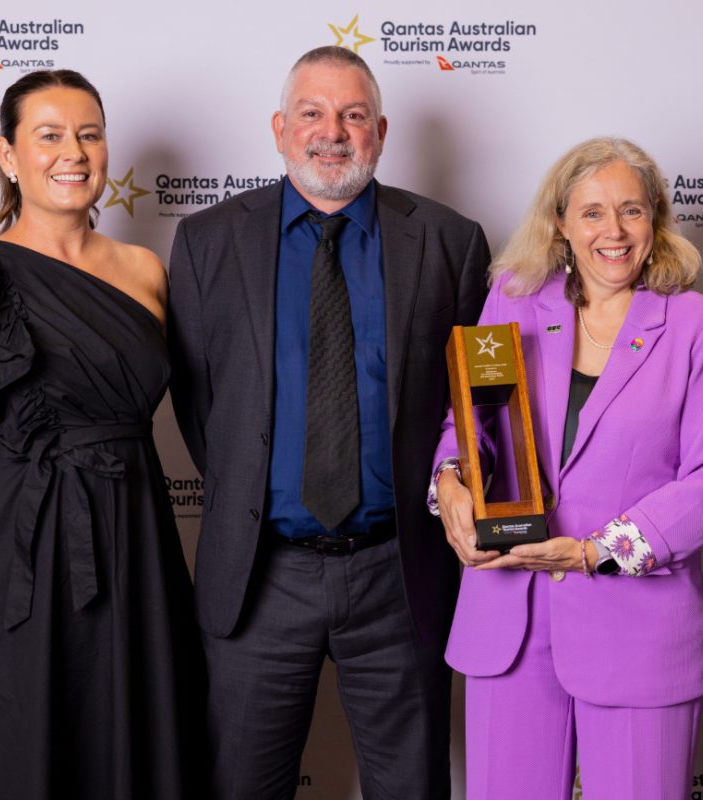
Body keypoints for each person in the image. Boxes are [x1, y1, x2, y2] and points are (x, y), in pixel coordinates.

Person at [167, 46, 489, 798]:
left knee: (411, 785)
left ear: (380, 130)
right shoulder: (209, 242)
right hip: (258, 574)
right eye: (312, 113)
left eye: (352, 115)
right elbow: (197, 400)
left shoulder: (449, 241)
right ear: (281, 129)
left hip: (398, 573)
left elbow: (474, 409)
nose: (332, 131)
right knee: (242, 783)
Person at [0, 70, 205, 799]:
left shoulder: (145, 271)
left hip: (135, 541)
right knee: (8, 744)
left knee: (123, 738)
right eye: (50, 135)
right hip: (14, 560)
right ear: (8, 155)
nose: (74, 152)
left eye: (89, 134)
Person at [432, 137, 703, 799]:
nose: (614, 230)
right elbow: (470, 427)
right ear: (561, 224)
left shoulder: (700, 326)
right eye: (594, 212)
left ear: (654, 223)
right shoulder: (513, 302)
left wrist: (594, 551)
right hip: (509, 622)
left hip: (639, 629)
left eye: (632, 211)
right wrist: (450, 485)